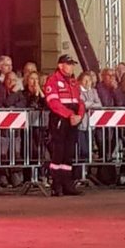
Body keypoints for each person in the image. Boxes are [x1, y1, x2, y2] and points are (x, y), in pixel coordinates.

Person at [43, 53, 83, 196]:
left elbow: (80, 101)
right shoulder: (53, 80)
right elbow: (53, 103)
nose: (71, 67)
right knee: (58, 152)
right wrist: (70, 115)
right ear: (61, 66)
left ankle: (67, 183)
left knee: (69, 152)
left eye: (72, 64)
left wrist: (79, 115)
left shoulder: (73, 82)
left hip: (72, 119)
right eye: (69, 64)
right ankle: (56, 184)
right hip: (60, 119)